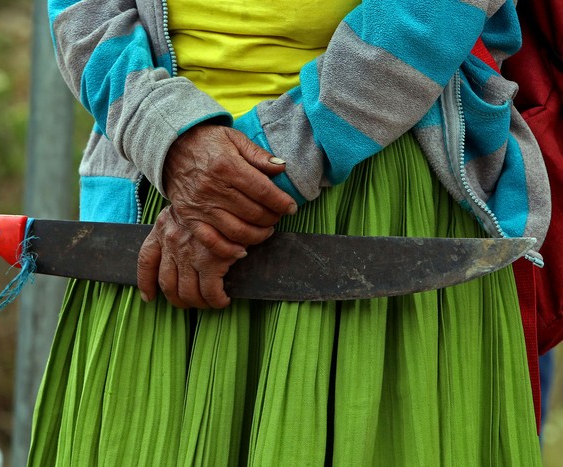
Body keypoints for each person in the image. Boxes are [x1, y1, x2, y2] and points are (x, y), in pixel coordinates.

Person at [28, 0, 551, 464]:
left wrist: (246, 172)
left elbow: (426, 13)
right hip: (153, 194)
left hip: (377, 202)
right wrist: (164, 131)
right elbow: (81, 12)